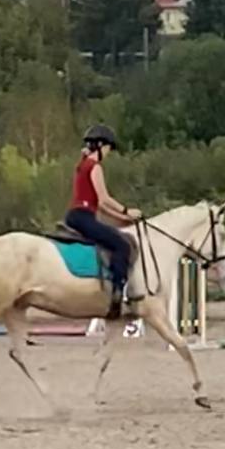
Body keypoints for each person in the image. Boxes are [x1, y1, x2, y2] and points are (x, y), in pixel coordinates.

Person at [65, 124, 142, 318]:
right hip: (83, 217)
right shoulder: (95, 167)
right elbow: (105, 199)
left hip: (79, 215)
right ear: (100, 146)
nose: (108, 153)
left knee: (112, 237)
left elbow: (100, 205)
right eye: (108, 148)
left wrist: (124, 219)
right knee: (122, 246)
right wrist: (127, 210)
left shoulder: (82, 165)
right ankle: (117, 295)